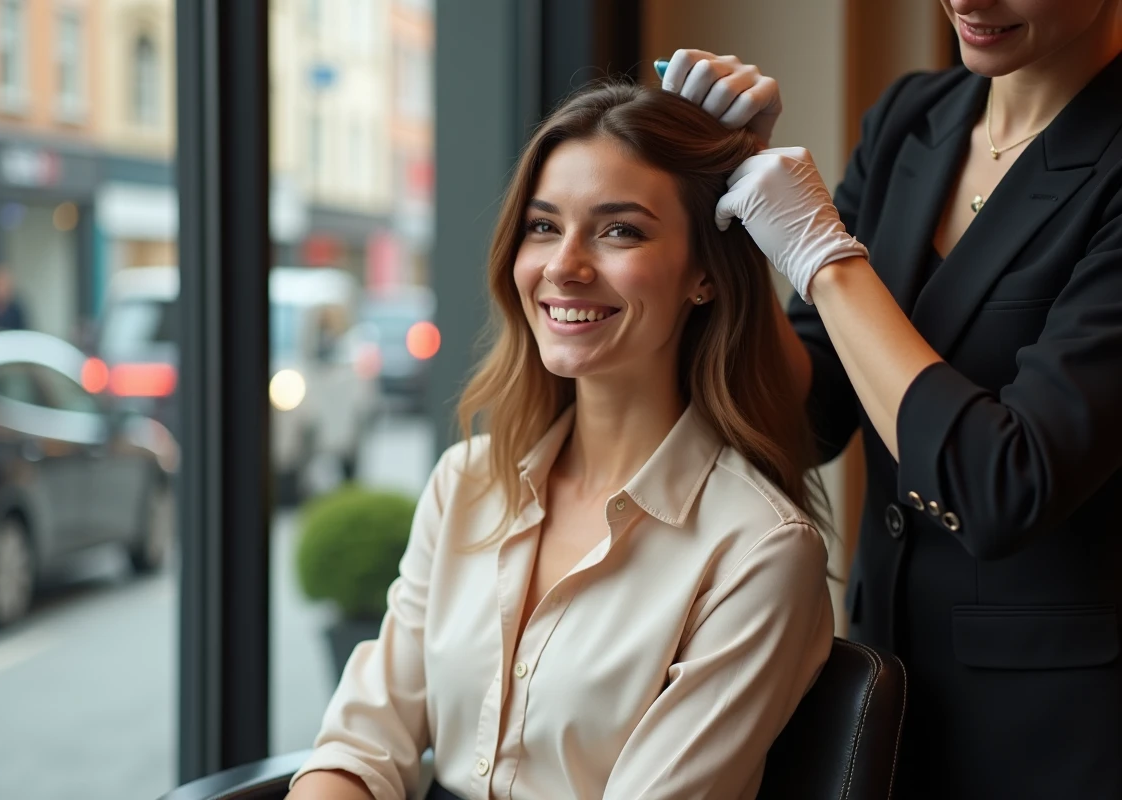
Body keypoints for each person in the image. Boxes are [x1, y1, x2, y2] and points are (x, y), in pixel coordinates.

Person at [286, 81, 835, 800]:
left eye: (619, 231)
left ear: (703, 275)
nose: (564, 266)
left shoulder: (759, 550)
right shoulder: (467, 483)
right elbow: (359, 748)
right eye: (544, 227)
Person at [661, 0, 1122, 796]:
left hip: (1059, 731)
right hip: (884, 692)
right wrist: (731, 188)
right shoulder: (912, 120)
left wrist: (824, 257)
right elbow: (808, 416)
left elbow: (1004, 484)